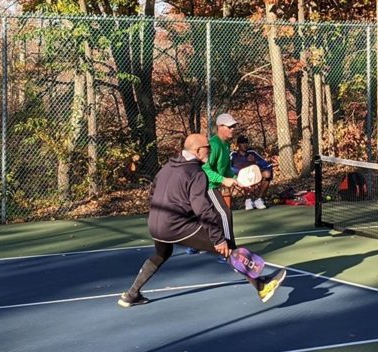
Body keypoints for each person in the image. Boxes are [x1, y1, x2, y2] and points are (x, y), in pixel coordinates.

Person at [118, 132, 284, 307]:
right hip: (176, 226)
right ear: (198, 150)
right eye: (208, 148)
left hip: (154, 224)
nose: (210, 152)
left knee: (162, 253)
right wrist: (218, 238)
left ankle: (131, 295)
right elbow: (203, 209)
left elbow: (153, 192)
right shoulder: (197, 174)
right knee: (227, 248)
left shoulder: (166, 167)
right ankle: (262, 286)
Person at [204, 111, 239, 245]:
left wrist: (236, 178)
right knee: (224, 214)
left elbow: (225, 168)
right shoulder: (214, 145)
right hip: (207, 186)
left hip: (213, 185)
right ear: (220, 127)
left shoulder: (226, 144)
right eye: (229, 127)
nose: (232, 129)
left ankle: (194, 245)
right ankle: (229, 248)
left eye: (233, 126)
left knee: (205, 216)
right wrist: (224, 180)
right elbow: (205, 169)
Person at [231, 135, 276, 210]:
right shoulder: (233, 155)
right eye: (242, 143)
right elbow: (229, 167)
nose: (245, 144)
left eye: (246, 142)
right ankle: (248, 200)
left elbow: (265, 164)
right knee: (245, 175)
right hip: (240, 176)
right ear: (238, 145)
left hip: (254, 174)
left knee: (267, 174)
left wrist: (255, 161)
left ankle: (259, 199)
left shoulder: (252, 153)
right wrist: (240, 171)